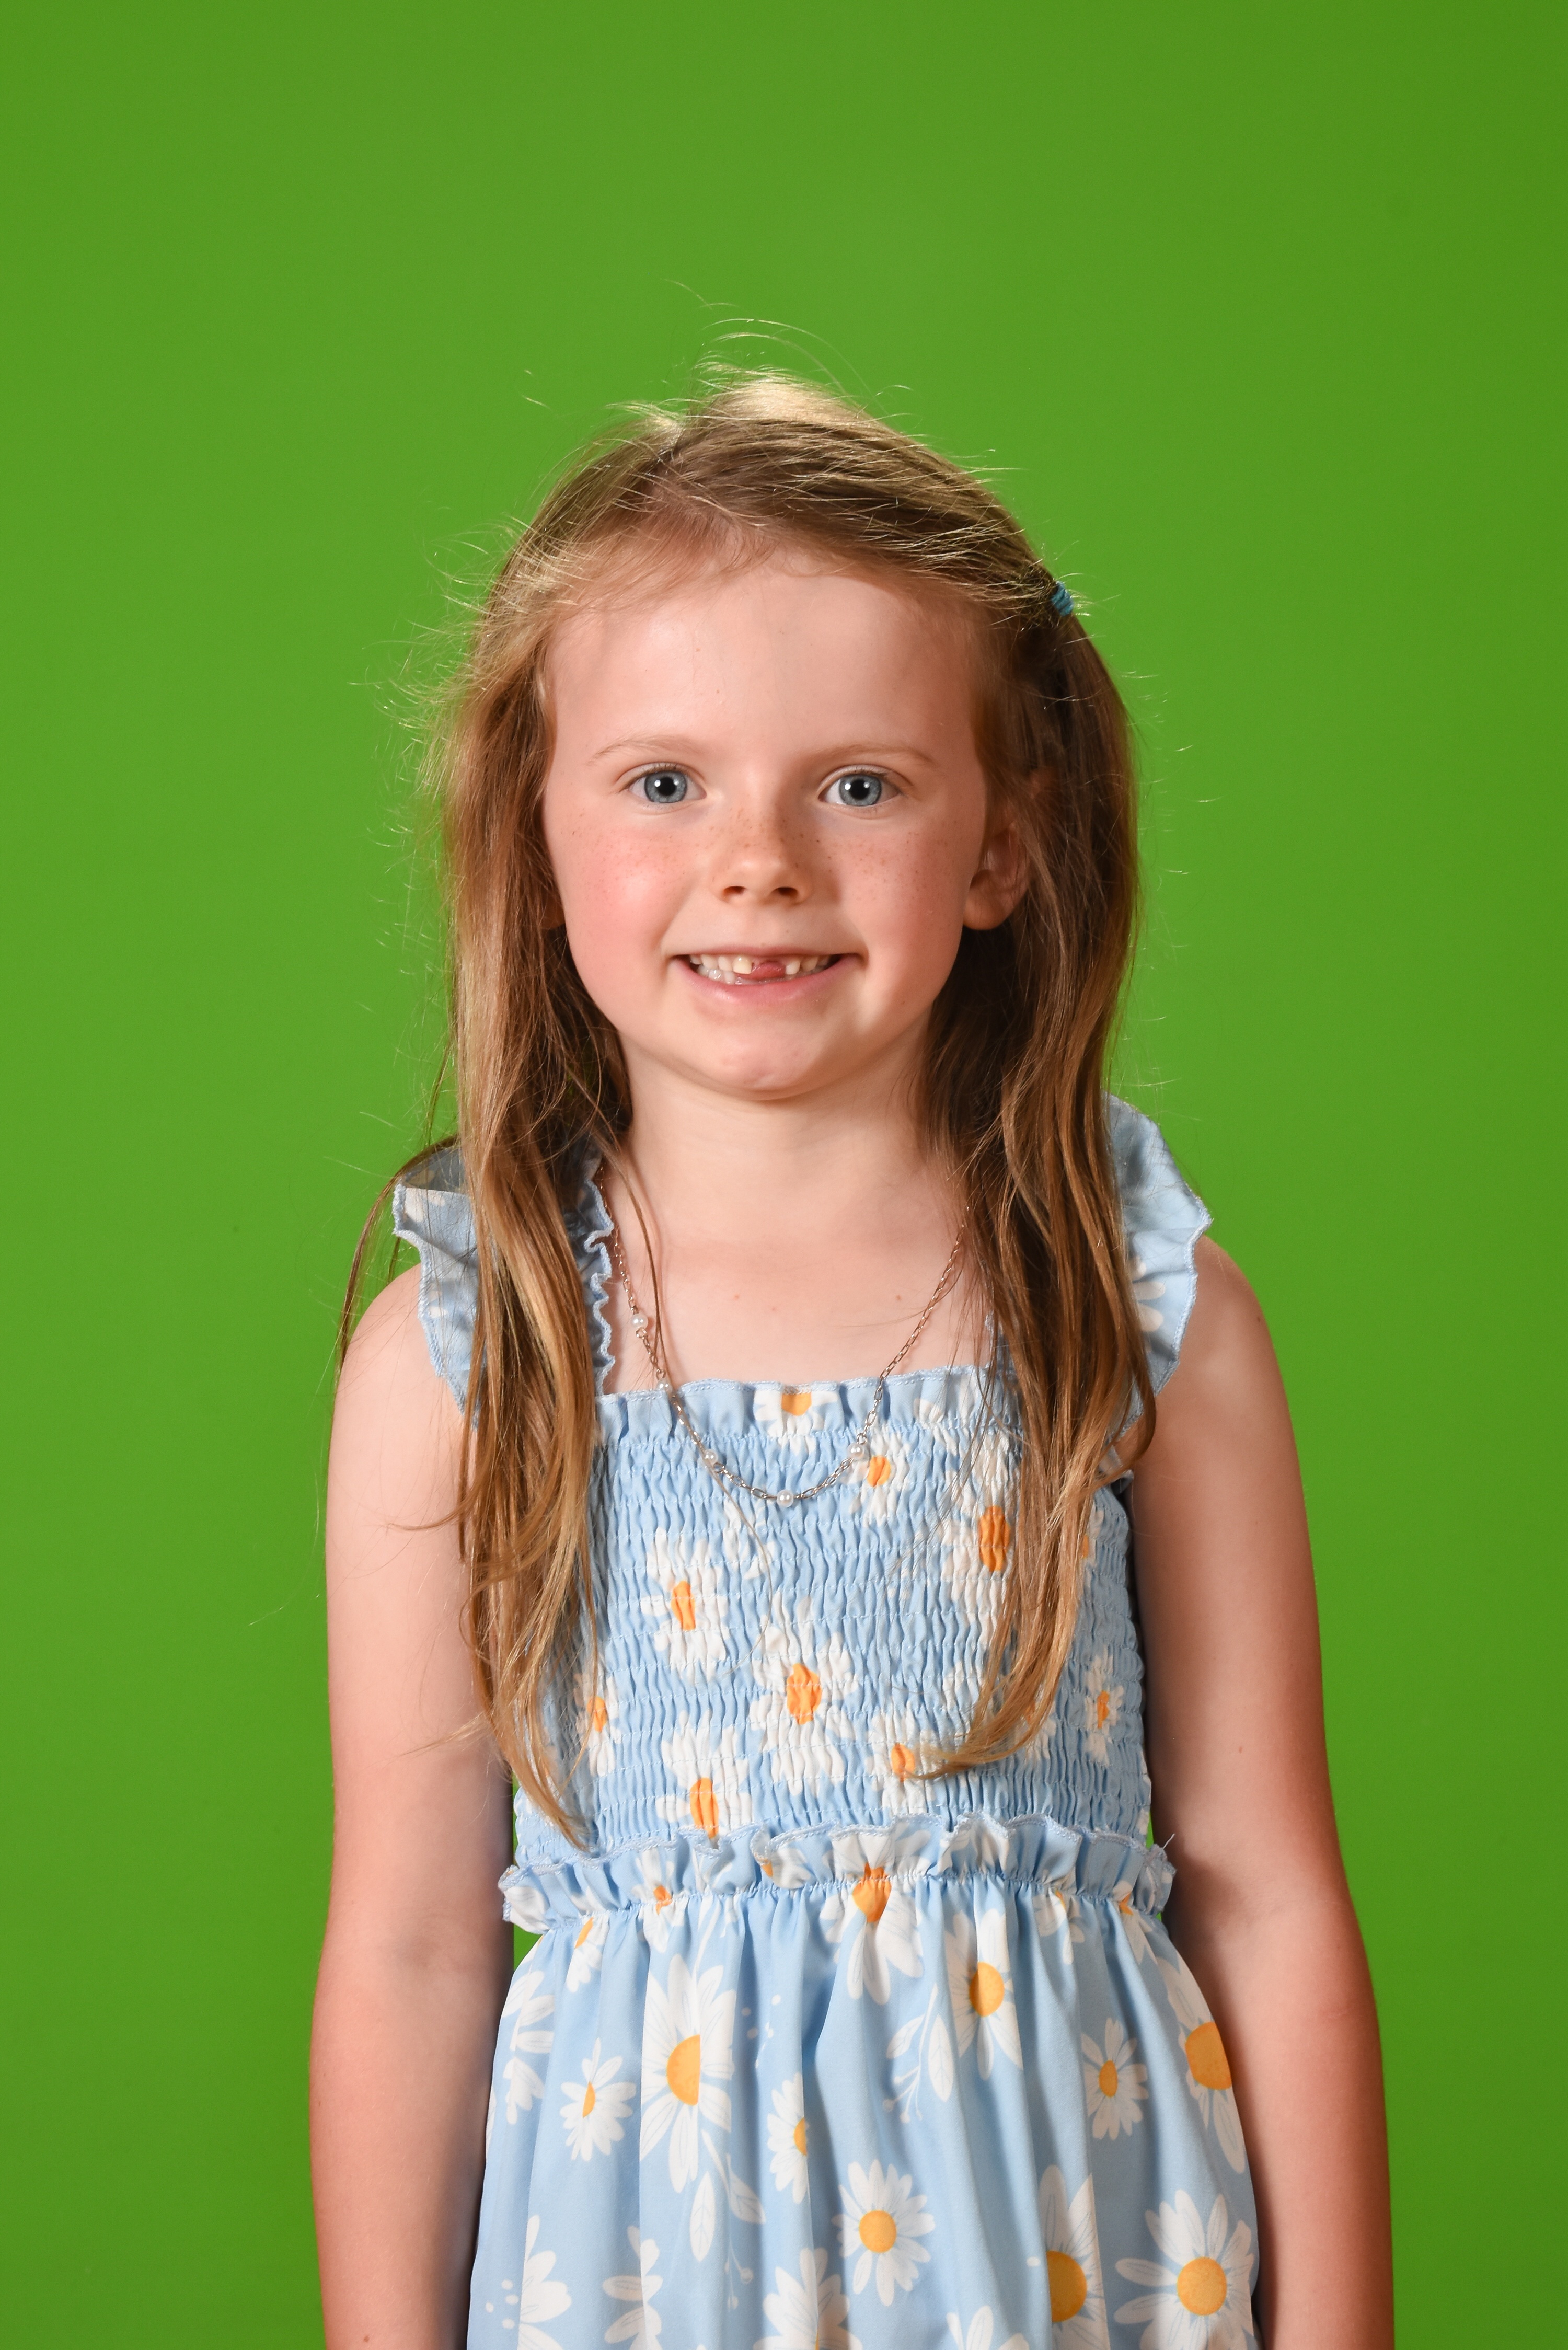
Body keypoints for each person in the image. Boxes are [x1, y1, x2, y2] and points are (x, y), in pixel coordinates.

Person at [311, 377, 1393, 2350]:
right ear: (536, 830)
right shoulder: (468, 1355)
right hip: (640, 2282)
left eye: (863, 786)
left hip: (1076, 2266)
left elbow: (1266, 1887)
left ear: (1004, 842)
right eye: (664, 783)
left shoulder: (1136, 1315)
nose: (761, 861)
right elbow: (408, 1947)